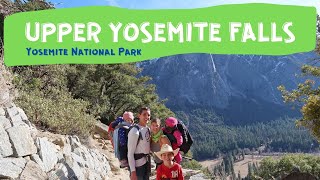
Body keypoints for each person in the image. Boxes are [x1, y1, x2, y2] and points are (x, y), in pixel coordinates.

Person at [128, 107, 151, 180]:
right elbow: (130, 153)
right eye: (144, 114)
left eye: (148, 115)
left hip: (146, 164)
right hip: (138, 167)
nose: (147, 117)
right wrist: (133, 172)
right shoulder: (135, 131)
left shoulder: (148, 129)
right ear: (139, 115)